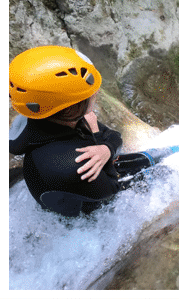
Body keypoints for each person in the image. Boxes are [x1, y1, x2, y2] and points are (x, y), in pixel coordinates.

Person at [9, 46, 160, 217]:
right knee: (164, 174)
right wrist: (97, 136)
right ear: (71, 106)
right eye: (90, 94)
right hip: (85, 208)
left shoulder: (42, 115)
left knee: (160, 158)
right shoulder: (73, 166)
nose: (95, 92)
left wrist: (105, 149)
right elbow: (112, 188)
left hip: (81, 183)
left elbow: (113, 138)